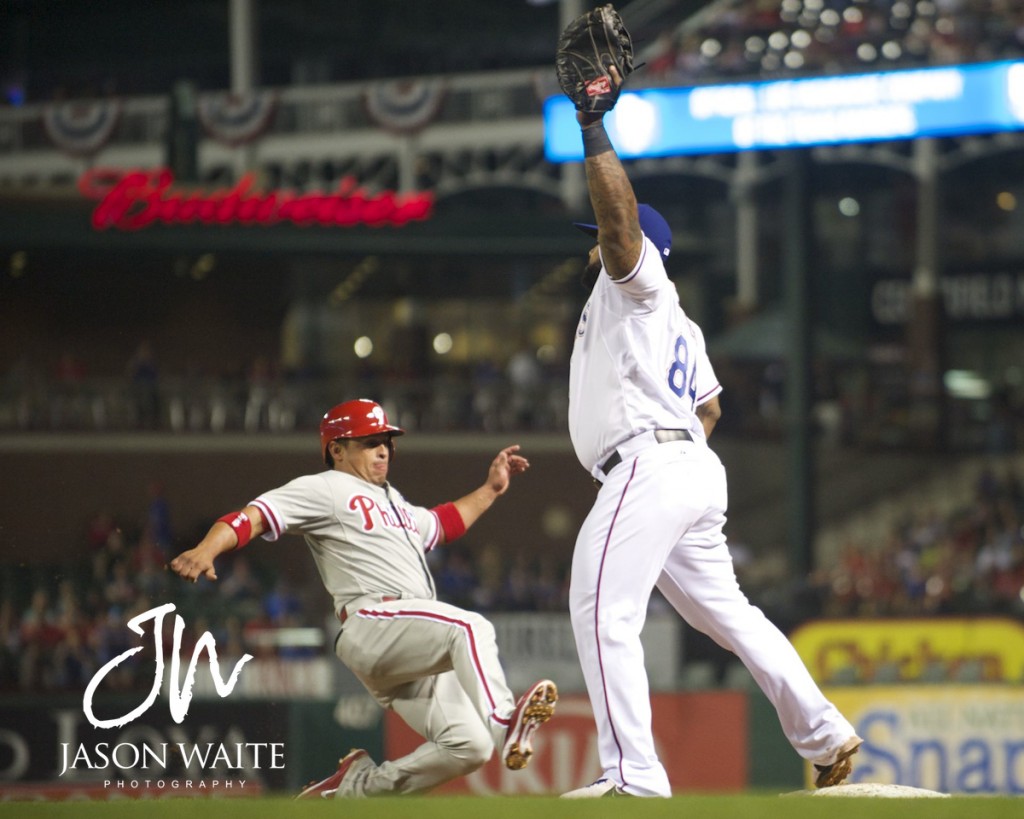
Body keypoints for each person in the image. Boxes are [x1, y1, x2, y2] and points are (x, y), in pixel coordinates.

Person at [559, 66, 861, 798]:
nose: (592, 249)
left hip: (649, 463)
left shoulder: (637, 286)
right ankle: (823, 731)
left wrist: (593, 125)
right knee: (729, 614)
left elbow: (620, 223)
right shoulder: (681, 324)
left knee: (601, 607)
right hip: (685, 461)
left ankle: (634, 774)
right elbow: (713, 410)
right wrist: (681, 453)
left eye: (601, 240)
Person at [168, 398, 557, 797]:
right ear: (336, 449)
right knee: (470, 627)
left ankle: (356, 788)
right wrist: (206, 549)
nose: (383, 449)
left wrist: (491, 489)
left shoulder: (396, 501)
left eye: (386, 441)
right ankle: (506, 721)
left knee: (469, 747)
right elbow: (252, 516)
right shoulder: (325, 488)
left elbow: (443, 524)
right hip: (373, 621)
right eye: (369, 442)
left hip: (408, 640)